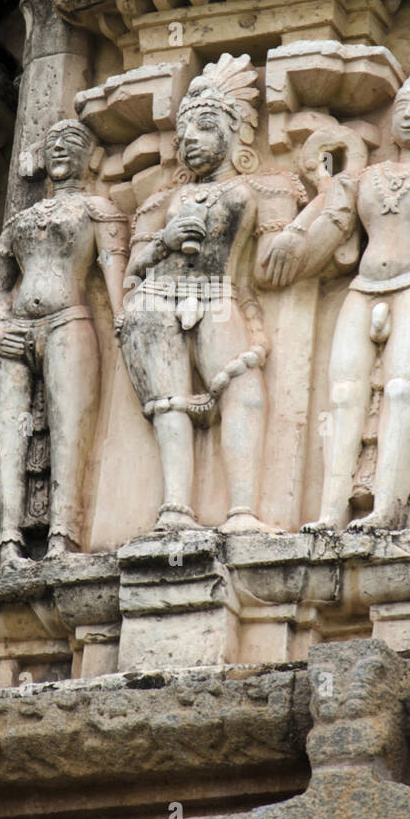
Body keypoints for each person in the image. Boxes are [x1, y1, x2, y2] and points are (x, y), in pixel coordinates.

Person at [263, 76, 410, 531]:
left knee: (403, 389)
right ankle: (330, 511)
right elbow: (333, 221)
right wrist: (294, 234)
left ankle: (388, 507)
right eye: (401, 106)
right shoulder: (364, 178)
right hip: (362, 289)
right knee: (343, 396)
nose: (406, 114)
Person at [120, 52, 304, 533]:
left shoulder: (261, 189)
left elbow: (269, 268)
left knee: (243, 389)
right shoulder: (164, 200)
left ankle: (242, 510)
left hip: (219, 296)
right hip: (156, 302)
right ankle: (175, 508)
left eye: (204, 127)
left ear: (237, 129)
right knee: (169, 404)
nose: (190, 144)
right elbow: (132, 272)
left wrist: (303, 226)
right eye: (183, 136)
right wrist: (163, 239)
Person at [0, 119, 127, 571]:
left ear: (94, 156)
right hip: (16, 330)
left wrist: (124, 315)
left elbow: (112, 271)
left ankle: (64, 536)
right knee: (8, 434)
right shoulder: (21, 220)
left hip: (69, 323)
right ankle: (8, 541)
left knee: (72, 429)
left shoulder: (97, 210)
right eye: (53, 143)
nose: (62, 149)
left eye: (74, 142)